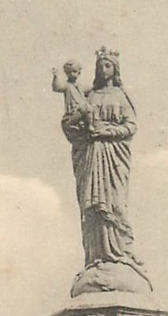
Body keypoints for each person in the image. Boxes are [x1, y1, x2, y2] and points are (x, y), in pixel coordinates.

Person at [62, 48, 149, 288]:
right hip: (91, 155)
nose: (103, 69)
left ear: (115, 69)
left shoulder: (121, 96)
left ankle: (122, 255)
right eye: (100, 65)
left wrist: (107, 131)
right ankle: (96, 257)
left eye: (108, 65)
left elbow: (130, 126)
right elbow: (72, 122)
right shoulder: (88, 95)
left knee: (115, 206)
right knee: (92, 208)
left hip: (113, 155)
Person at [51, 60, 92, 125]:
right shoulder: (67, 85)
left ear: (79, 73)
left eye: (74, 71)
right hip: (73, 111)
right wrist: (55, 77)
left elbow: (92, 89)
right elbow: (57, 87)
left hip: (84, 110)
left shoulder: (81, 86)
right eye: (69, 72)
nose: (72, 74)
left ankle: (89, 125)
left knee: (90, 109)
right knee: (85, 109)